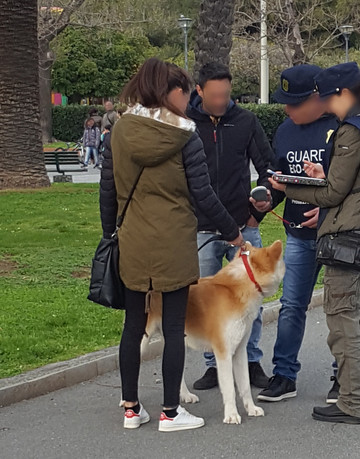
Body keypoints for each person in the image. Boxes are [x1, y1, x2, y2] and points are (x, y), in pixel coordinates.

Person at [99, 57, 244, 432]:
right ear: (170, 92)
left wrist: (109, 235)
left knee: (135, 324)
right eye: (183, 91)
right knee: (175, 325)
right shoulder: (185, 136)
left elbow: (108, 192)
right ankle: (170, 411)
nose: (186, 100)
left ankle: (131, 408)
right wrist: (233, 232)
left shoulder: (119, 131)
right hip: (175, 240)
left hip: (132, 239)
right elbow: (204, 195)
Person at [269, 62, 360, 424]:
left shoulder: (353, 129)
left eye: (330, 99)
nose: (327, 106)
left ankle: (350, 402)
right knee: (359, 317)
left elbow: (333, 192)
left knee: (342, 319)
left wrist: (289, 186)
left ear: (345, 94)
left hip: (349, 234)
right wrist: (325, 172)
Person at [252, 65, 340, 403]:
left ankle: (342, 375)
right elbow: (279, 177)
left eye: (293, 103)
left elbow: (352, 183)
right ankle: (284, 375)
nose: (287, 110)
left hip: (335, 234)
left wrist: (329, 208)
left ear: (316, 98)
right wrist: (265, 198)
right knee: (291, 306)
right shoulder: (286, 131)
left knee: (338, 308)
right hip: (298, 237)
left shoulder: (340, 127)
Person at [186, 62, 274, 391]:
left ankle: (250, 362)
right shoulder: (186, 124)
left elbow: (268, 168)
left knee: (251, 300)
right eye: (214, 95)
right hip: (202, 229)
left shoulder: (246, 121)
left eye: (226, 94)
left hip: (243, 226)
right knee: (205, 298)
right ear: (199, 91)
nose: (221, 101)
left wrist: (259, 212)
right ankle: (213, 363)